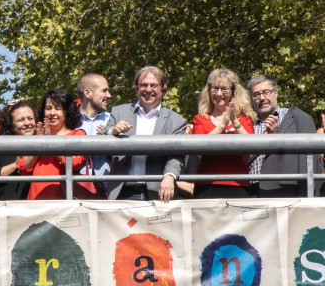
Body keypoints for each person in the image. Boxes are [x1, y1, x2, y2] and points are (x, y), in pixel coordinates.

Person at [106, 66, 187, 202]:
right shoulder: (118, 112)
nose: (148, 90)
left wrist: (169, 176)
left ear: (163, 89)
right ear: (137, 88)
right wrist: (113, 131)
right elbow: (99, 143)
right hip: (122, 192)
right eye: (143, 85)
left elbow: (177, 156)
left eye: (153, 85)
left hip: (157, 192)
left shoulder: (176, 121)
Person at [248, 75, 322, 197]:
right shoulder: (247, 122)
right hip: (251, 191)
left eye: (266, 92)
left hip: (283, 191)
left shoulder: (297, 118)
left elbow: (309, 162)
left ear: (275, 93)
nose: (262, 98)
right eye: (256, 95)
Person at [191, 69, 256, 199]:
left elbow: (252, 146)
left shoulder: (244, 119)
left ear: (233, 92)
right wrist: (222, 125)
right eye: (215, 89)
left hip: (238, 183)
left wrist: (235, 122)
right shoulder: (200, 119)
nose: (219, 94)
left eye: (224, 89)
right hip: (206, 184)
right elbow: (198, 147)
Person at [16, 89, 86, 200]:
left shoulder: (77, 134)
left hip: (63, 203)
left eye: (57, 108)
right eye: (48, 108)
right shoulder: (38, 135)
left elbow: (75, 162)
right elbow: (23, 168)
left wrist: (50, 142)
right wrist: (40, 142)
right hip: (36, 202)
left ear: (66, 111)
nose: (52, 113)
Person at [0, 100, 37, 201]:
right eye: (21, 120)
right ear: (11, 124)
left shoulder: (44, 143)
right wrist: (15, 165)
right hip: (5, 208)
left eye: (30, 118)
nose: (27, 123)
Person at [76, 73, 112, 197]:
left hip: (108, 195)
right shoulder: (68, 121)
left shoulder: (112, 121)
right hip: (74, 193)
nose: (109, 95)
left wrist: (113, 136)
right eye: (104, 91)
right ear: (88, 93)